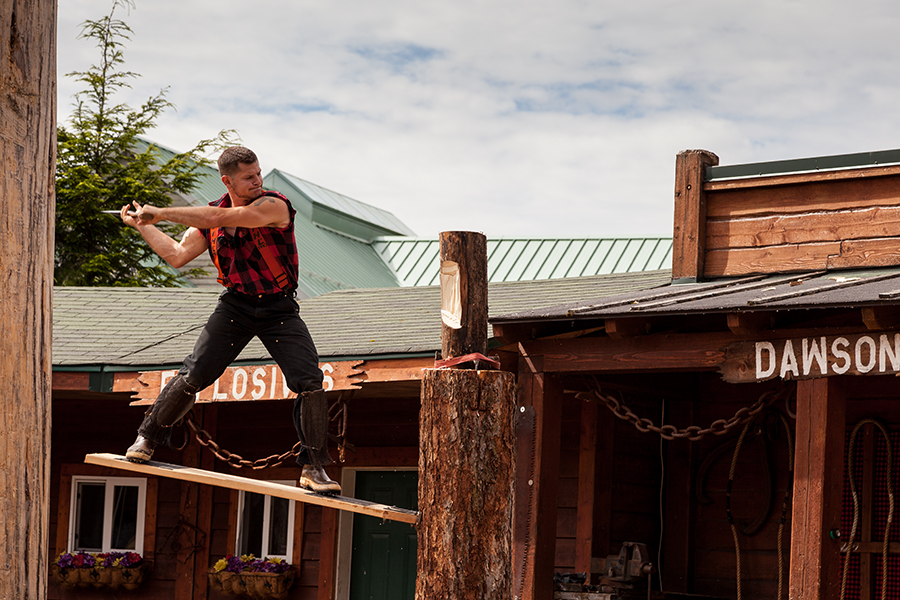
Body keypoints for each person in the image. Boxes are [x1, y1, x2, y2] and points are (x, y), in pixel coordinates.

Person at [120, 146, 340, 494]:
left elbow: (220, 219)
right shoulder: (212, 215)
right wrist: (143, 225)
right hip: (235, 307)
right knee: (195, 372)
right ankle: (146, 438)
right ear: (228, 181)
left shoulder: (273, 205)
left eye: (258, 174)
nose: (257, 181)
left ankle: (314, 468)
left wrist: (161, 212)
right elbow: (177, 256)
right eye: (248, 178)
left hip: (278, 309)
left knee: (309, 381)